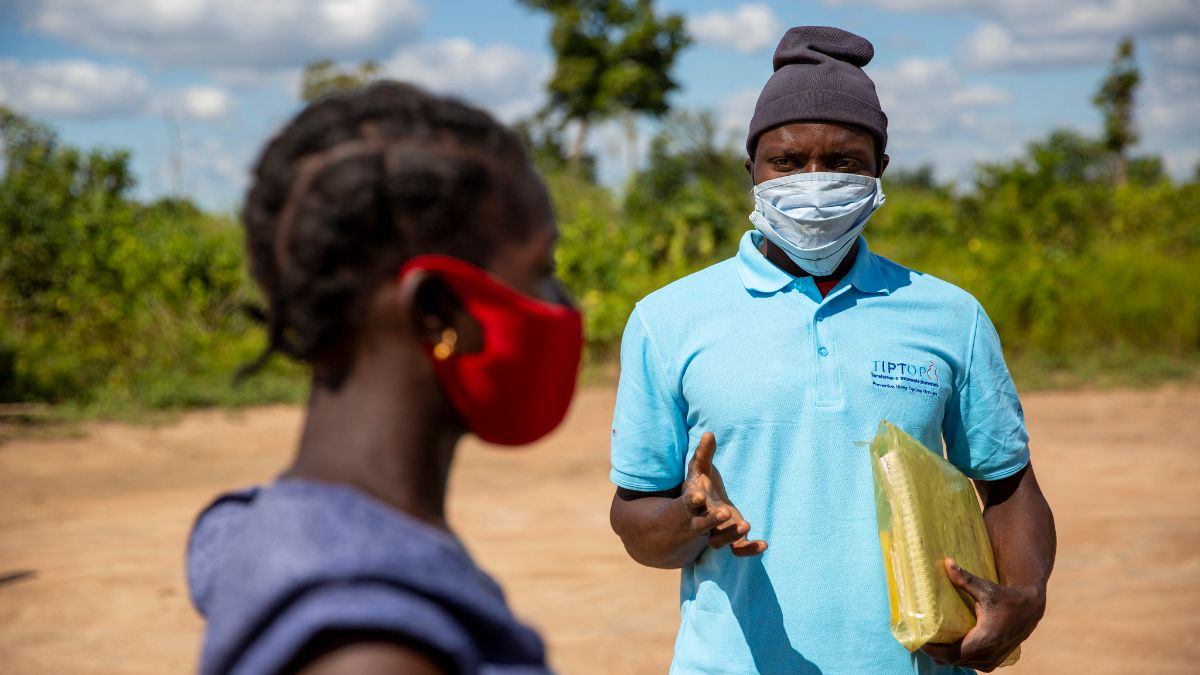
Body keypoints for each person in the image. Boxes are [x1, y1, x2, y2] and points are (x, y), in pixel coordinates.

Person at [608, 26, 1056, 674]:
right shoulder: (667, 320)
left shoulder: (951, 316)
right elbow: (634, 515)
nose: (814, 183)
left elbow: (1009, 485)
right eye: (787, 162)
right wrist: (688, 516)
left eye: (843, 161)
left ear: (879, 170)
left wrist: (1026, 596)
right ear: (751, 172)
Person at [186, 82, 583, 675]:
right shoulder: (373, 653)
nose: (564, 299)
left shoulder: (259, 530)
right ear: (436, 312)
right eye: (543, 267)